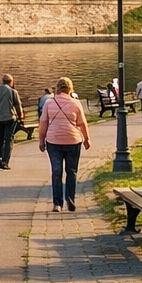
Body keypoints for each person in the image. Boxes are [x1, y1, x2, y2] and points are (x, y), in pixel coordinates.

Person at [39, 77, 92, 213]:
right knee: (71, 171)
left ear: (57, 89)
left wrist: (41, 141)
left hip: (53, 141)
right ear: (70, 89)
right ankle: (70, 198)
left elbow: (43, 122)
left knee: (56, 172)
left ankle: (57, 203)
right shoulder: (76, 103)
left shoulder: (49, 103)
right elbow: (82, 123)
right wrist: (87, 139)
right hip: (73, 140)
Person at [0, 74, 24, 170]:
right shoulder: (13, 92)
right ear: (11, 81)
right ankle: (5, 161)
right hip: (9, 118)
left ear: (2, 81)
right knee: (8, 139)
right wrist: (20, 116)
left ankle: (0, 155)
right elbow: (17, 105)